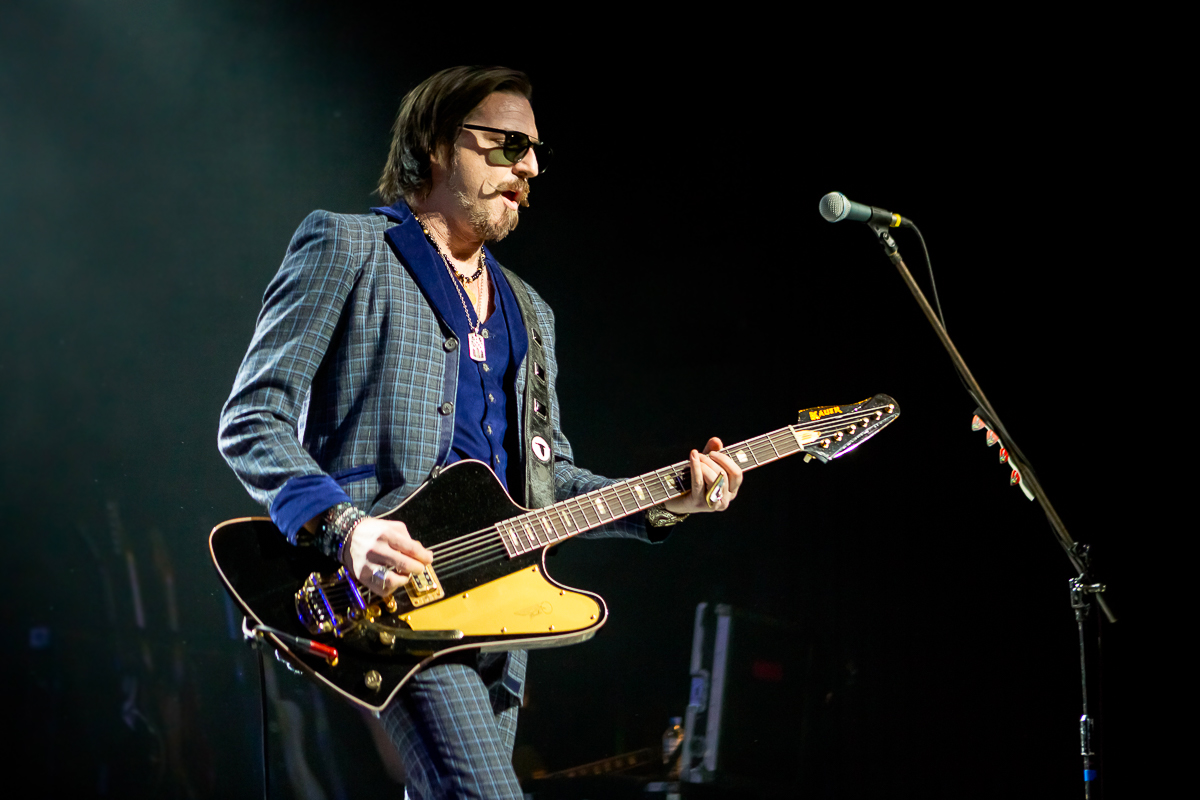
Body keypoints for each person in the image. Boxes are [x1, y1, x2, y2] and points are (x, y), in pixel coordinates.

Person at [218, 65, 744, 799]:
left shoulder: (531, 313)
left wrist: (666, 499)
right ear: (437, 146)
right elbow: (252, 418)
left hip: (499, 617)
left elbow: (547, 481)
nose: (529, 169)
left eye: (535, 153)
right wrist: (347, 528)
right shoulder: (348, 246)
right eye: (508, 145)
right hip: (384, 598)